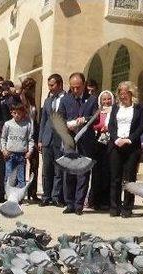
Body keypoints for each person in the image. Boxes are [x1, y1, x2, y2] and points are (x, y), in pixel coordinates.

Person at [58, 72, 98, 216]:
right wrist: (67, 125)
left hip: (86, 141)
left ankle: (79, 204)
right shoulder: (65, 99)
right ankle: (69, 203)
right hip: (70, 140)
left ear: (84, 85)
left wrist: (85, 120)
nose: (75, 90)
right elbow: (59, 117)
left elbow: (95, 117)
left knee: (83, 173)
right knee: (69, 172)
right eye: (73, 87)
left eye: (78, 87)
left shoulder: (92, 100)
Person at [108, 82, 143, 217]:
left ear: (131, 93)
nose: (122, 95)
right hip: (116, 145)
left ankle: (127, 208)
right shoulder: (115, 108)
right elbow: (111, 125)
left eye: (125, 92)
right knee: (115, 178)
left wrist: (129, 139)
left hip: (131, 146)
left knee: (129, 179)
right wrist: (116, 139)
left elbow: (142, 126)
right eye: (120, 93)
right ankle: (114, 207)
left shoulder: (139, 108)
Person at [38, 73, 66, 207]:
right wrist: (40, 139)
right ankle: (46, 196)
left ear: (60, 84)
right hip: (47, 139)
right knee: (46, 170)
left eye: (52, 85)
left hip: (60, 139)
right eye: (49, 85)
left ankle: (56, 197)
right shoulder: (47, 100)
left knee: (58, 170)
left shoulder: (67, 99)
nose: (50, 88)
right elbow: (43, 120)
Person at [87, 90, 113, 211]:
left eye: (108, 99)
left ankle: (106, 201)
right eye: (104, 99)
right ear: (100, 101)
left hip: (111, 144)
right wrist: (100, 128)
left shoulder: (115, 112)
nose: (106, 101)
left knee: (109, 172)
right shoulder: (97, 112)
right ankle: (95, 201)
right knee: (97, 173)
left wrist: (109, 128)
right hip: (98, 144)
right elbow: (92, 125)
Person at [0, 102, 34, 188]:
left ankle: (20, 197)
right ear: (11, 113)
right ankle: (9, 196)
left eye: (19, 113)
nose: (17, 115)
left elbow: (30, 139)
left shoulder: (27, 125)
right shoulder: (8, 124)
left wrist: (30, 151)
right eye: (14, 113)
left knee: (21, 177)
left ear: (23, 113)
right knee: (9, 176)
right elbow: (3, 138)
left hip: (21, 155)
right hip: (10, 154)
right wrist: (4, 149)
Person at [20, 77, 40, 202]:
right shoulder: (20, 99)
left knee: (34, 165)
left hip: (33, 134)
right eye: (30, 88)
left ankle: (32, 192)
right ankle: (20, 192)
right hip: (23, 135)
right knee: (21, 165)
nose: (32, 90)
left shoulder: (32, 100)